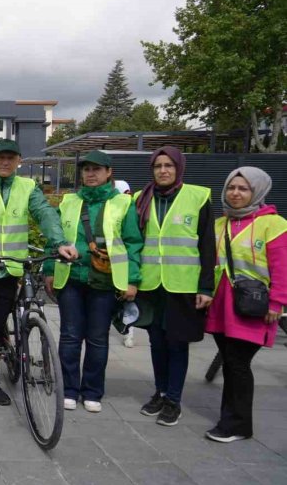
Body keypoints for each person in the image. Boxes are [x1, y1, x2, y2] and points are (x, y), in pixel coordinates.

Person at [0, 139, 78, 408]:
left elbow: (45, 215)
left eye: (11, 158)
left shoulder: (28, 187)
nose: (5, 162)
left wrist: (60, 242)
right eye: (0, 158)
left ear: (19, 160)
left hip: (8, 271)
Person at [44, 151, 141, 413]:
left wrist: (132, 280)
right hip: (71, 276)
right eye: (86, 169)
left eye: (97, 169)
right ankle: (69, 389)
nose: (91, 174)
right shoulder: (68, 201)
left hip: (106, 280)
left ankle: (92, 390)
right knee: (70, 336)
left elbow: (133, 243)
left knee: (98, 338)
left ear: (109, 173)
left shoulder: (124, 203)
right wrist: (50, 269)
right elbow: (55, 238)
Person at [134, 146, 215, 427]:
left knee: (177, 343)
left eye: (168, 165)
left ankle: (174, 400)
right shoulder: (141, 199)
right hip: (152, 283)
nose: (163, 171)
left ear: (178, 168)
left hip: (184, 285)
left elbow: (208, 245)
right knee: (157, 342)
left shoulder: (198, 197)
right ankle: (160, 391)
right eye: (158, 166)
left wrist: (207, 288)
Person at [205, 168, 286, 442]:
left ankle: (236, 425)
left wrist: (277, 303)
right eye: (231, 187)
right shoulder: (220, 224)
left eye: (243, 189)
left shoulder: (273, 224)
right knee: (230, 362)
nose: (235, 193)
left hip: (252, 307)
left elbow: (282, 268)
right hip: (221, 305)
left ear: (258, 192)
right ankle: (232, 420)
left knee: (238, 364)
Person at [114, 179, 138, 348]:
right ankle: (128, 331)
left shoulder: (127, 207)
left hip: (120, 263)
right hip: (116, 263)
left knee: (127, 301)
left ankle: (128, 331)